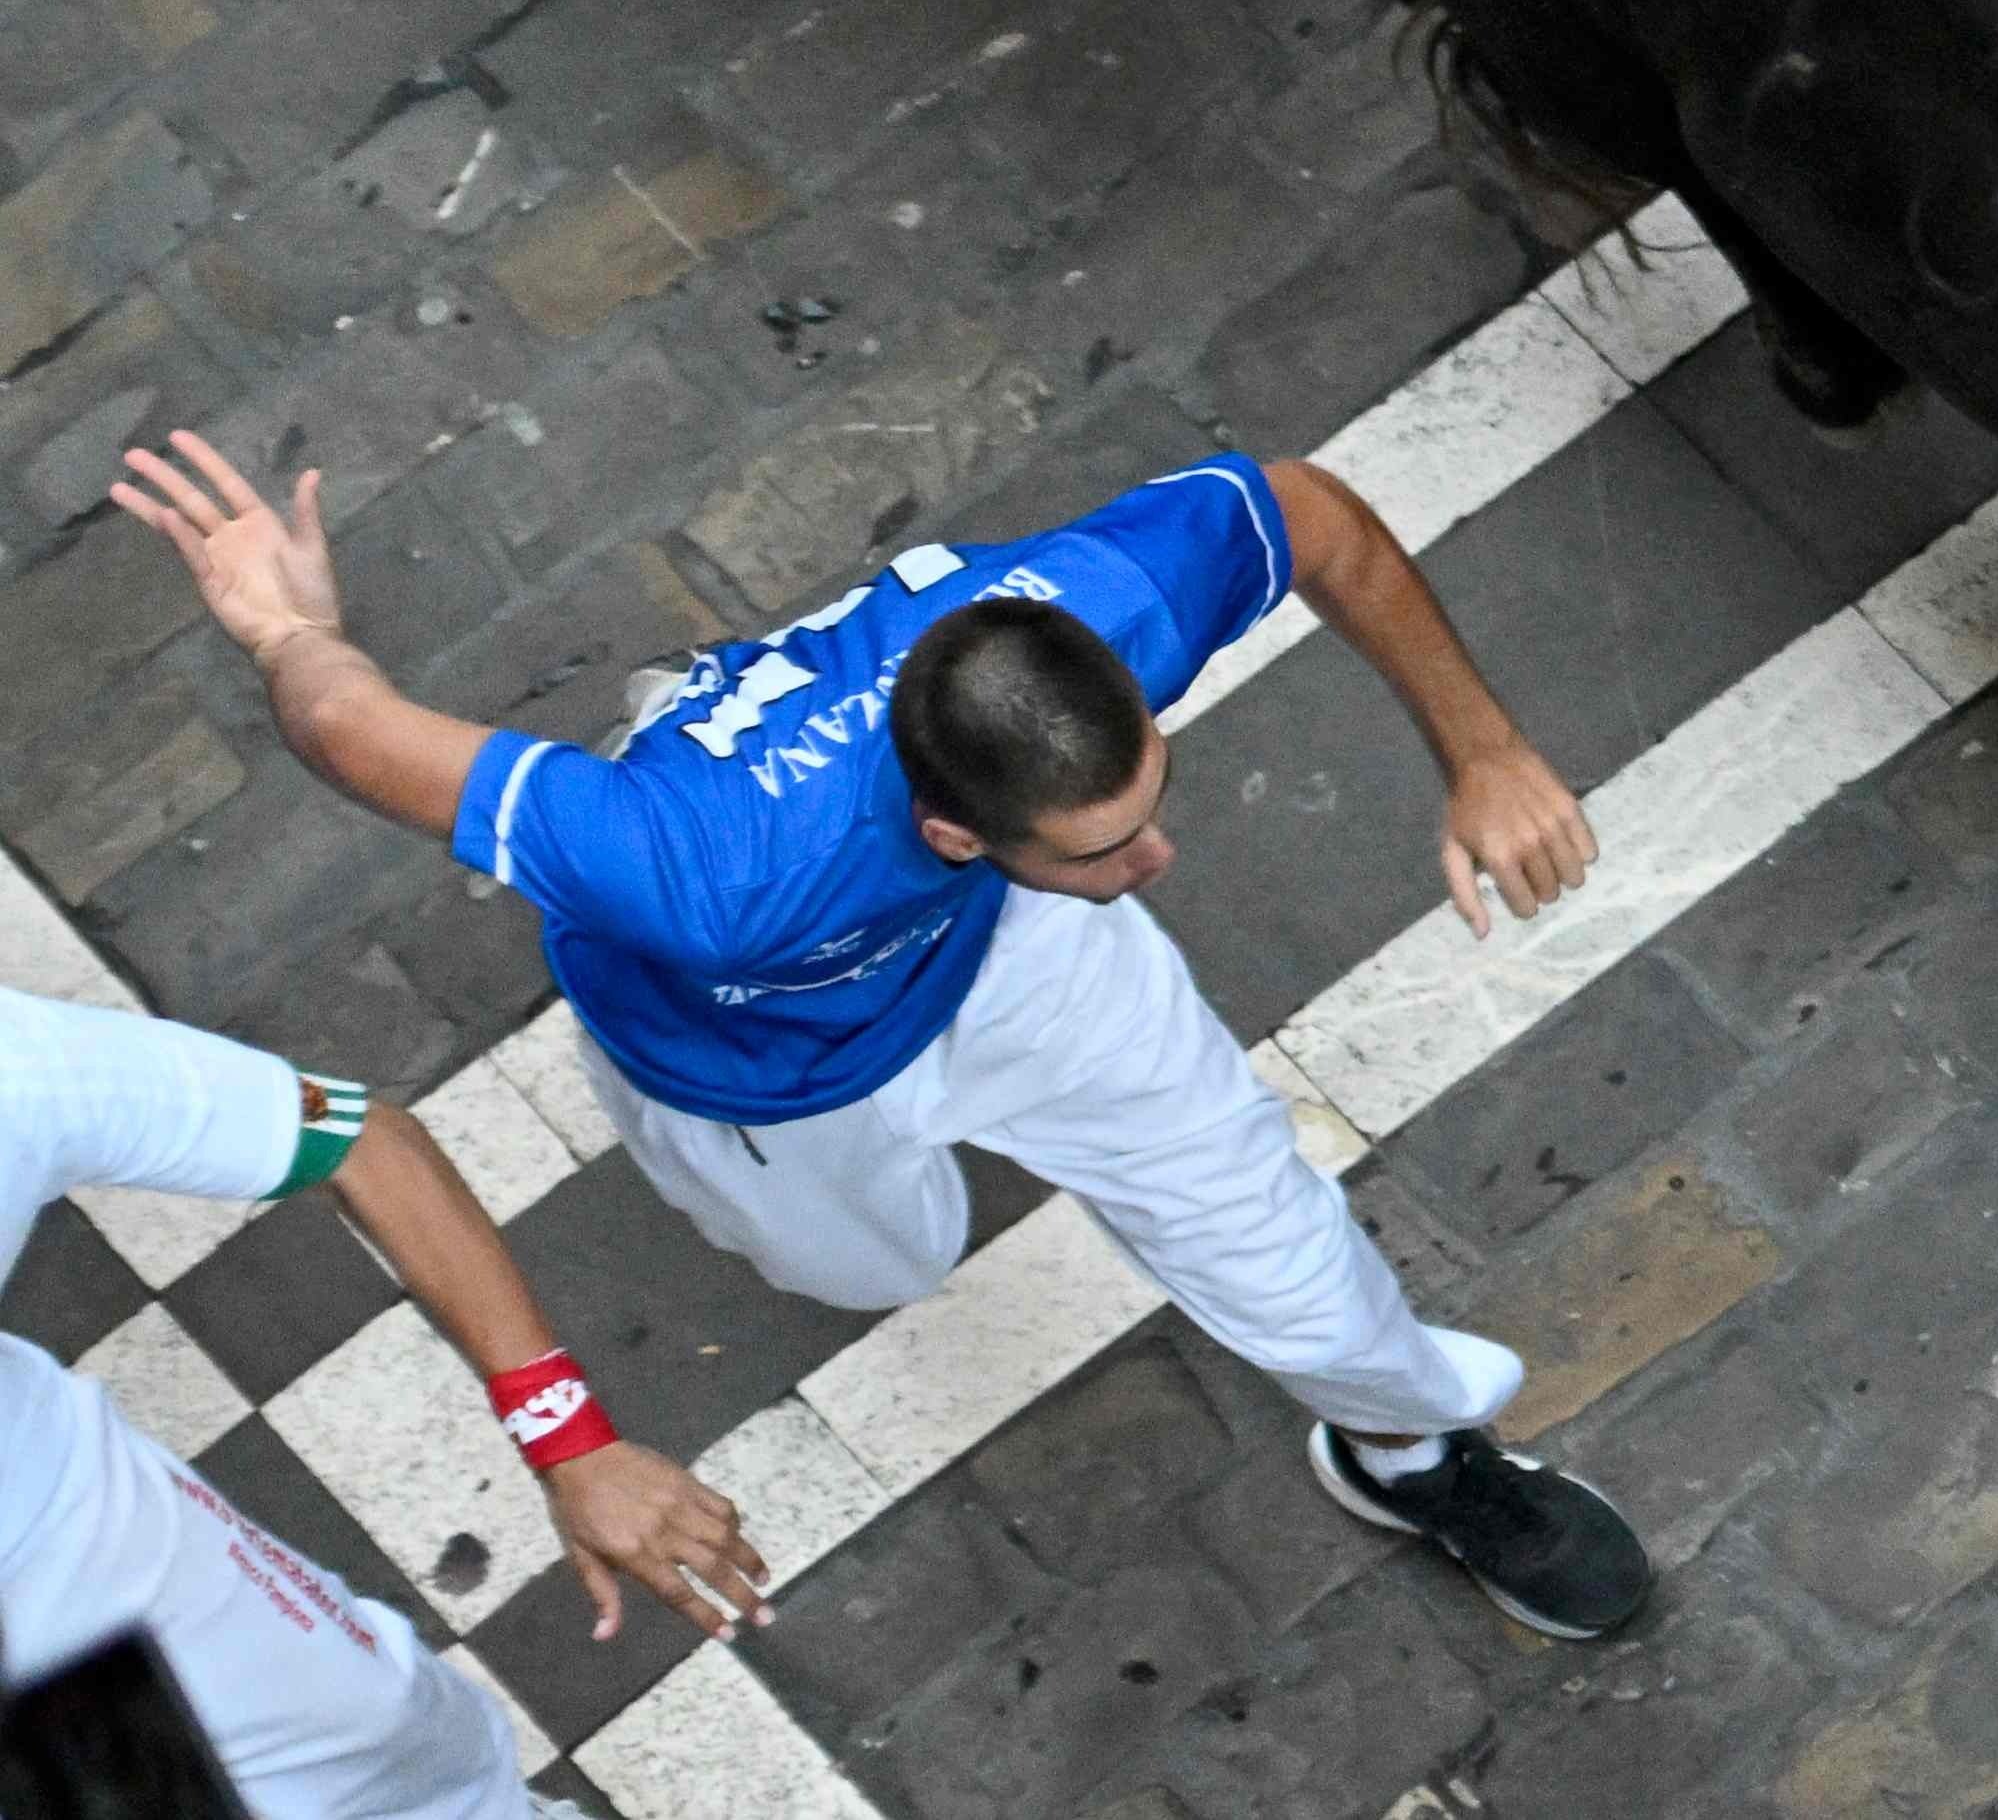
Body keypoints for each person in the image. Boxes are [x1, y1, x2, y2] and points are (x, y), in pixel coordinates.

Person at [109, 433, 1658, 1643]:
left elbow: (1310, 512)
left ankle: (1413, 1446)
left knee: (1287, 1247)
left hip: (1010, 957)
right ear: (949, 827)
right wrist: (280, 626)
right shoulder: (703, 870)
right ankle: (689, 717)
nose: (1155, 867)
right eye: (1102, 848)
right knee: (882, 1266)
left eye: (1145, 808)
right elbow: (348, 733)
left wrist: (1487, 745)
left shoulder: (1104, 619)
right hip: (763, 1068)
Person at [3, 978, 764, 1818]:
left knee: (427, 1769)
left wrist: (568, 1436)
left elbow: (359, 1141)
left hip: (166, 1642)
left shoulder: (17, 1071)